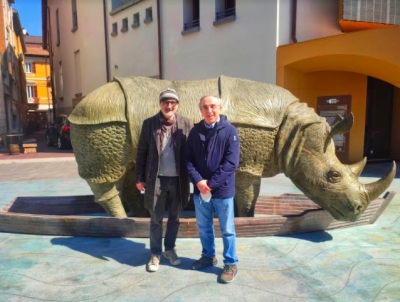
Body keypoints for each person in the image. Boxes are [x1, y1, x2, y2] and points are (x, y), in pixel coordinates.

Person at [185, 94, 240, 283]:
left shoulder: (230, 131)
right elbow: (188, 159)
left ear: (220, 108)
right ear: (200, 110)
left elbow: (231, 163)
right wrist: (199, 181)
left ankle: (231, 263)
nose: (209, 111)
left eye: (213, 106)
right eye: (205, 107)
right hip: (201, 191)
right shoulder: (195, 132)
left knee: (227, 229)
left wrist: (210, 184)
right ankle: (208, 256)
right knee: (204, 227)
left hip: (222, 191)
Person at [136, 88, 192, 272]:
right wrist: (140, 177)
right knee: (156, 219)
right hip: (156, 180)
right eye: (165, 102)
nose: (169, 106)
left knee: (175, 218)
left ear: (177, 105)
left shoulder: (186, 123)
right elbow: (142, 152)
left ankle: (169, 249)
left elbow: (191, 153)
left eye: (173, 103)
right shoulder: (149, 124)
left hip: (178, 180)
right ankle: (155, 253)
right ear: (160, 104)